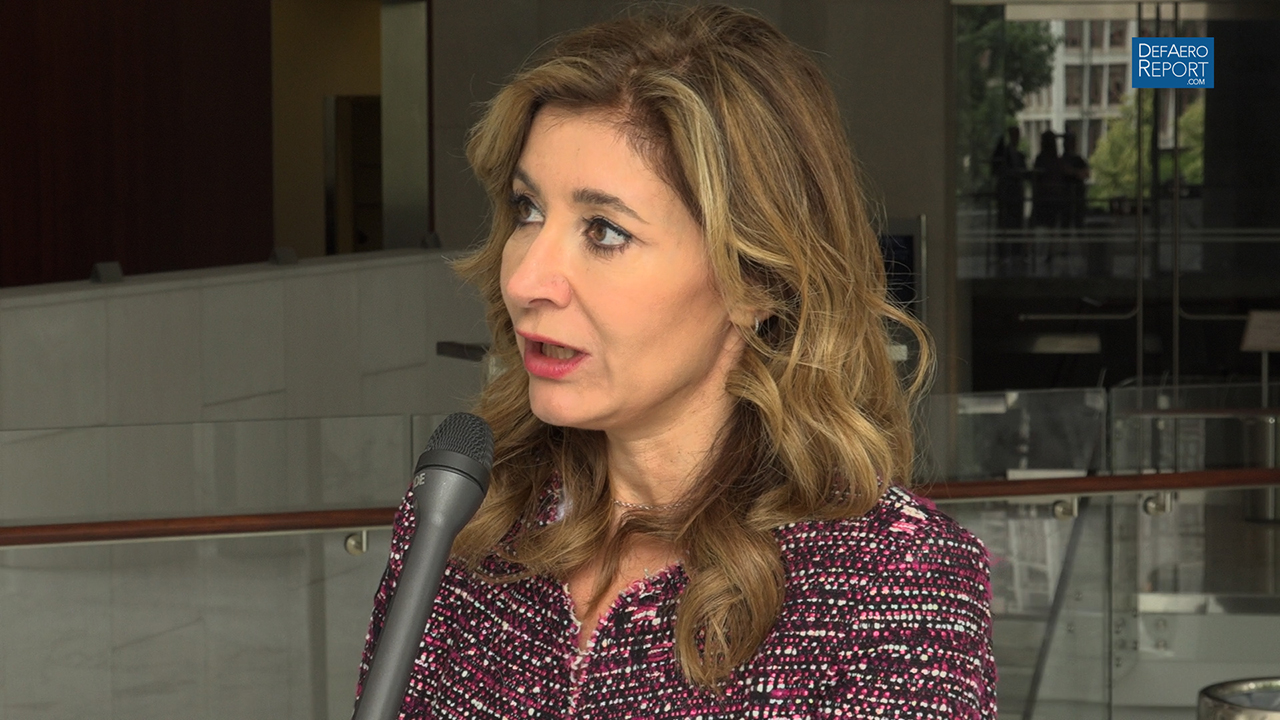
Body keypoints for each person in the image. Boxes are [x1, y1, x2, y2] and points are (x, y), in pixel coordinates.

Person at [357, 5, 997, 717]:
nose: (526, 279)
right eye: (528, 210)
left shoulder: (893, 588)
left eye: (605, 231)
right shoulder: (461, 521)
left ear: (755, 279)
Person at [991, 126, 1028, 230]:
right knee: (1005, 221)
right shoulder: (1003, 155)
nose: (1017, 138)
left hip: (1017, 193)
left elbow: (1024, 173)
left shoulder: (1020, 156)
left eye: (1017, 135)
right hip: (1007, 193)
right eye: (1015, 135)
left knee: (1016, 222)